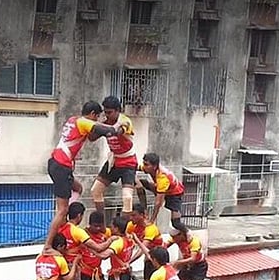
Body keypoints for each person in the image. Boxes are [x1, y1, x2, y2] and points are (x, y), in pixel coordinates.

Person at [46, 101, 121, 247]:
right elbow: (108, 131)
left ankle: (65, 220)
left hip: (55, 162)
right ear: (92, 114)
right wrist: (119, 125)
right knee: (62, 210)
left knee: (78, 188)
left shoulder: (73, 120)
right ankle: (48, 244)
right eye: (97, 117)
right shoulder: (84, 122)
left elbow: (91, 136)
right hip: (62, 166)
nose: (97, 120)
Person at [90, 95, 138, 219]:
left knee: (127, 197)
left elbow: (118, 132)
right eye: (105, 112)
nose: (107, 115)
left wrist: (103, 128)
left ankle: (123, 226)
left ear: (118, 111)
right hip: (113, 161)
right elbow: (91, 138)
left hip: (128, 162)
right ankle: (101, 223)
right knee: (96, 190)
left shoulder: (125, 121)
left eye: (109, 112)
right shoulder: (105, 122)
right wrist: (96, 127)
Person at [137, 152, 186, 230]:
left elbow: (158, 203)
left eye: (146, 165)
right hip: (162, 188)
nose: (144, 166)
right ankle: (144, 210)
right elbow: (136, 167)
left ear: (154, 166)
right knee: (141, 183)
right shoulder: (151, 168)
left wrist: (151, 220)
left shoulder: (162, 177)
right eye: (144, 164)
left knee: (176, 223)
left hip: (175, 194)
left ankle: (187, 232)